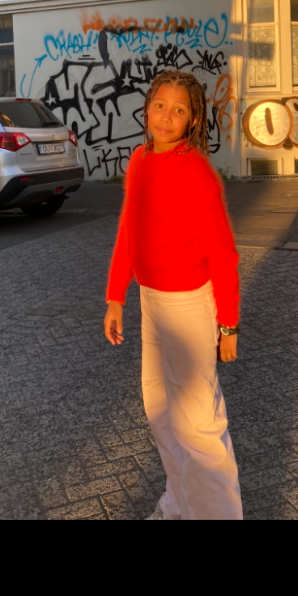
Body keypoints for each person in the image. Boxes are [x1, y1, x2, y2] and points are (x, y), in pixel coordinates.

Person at [103, 69, 243, 521]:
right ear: (147, 107)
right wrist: (116, 296)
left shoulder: (195, 171)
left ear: (193, 120)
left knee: (198, 426)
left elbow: (223, 253)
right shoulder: (140, 159)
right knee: (160, 412)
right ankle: (179, 505)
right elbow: (130, 228)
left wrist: (228, 324)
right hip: (152, 303)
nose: (166, 117)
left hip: (188, 307)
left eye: (178, 110)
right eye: (160, 105)